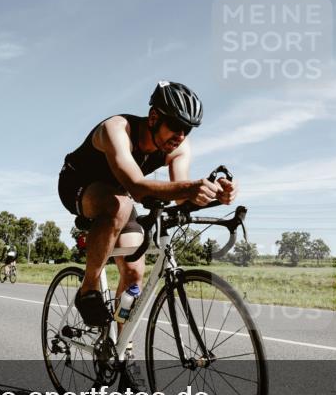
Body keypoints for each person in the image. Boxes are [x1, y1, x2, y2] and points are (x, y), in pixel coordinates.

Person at [58, 81, 237, 329]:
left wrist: (218, 194)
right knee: (119, 205)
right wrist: (191, 187)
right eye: (175, 125)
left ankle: (121, 347)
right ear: (154, 117)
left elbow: (181, 196)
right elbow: (137, 187)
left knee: (133, 275)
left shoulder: (178, 148)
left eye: (188, 129)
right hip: (77, 184)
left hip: (118, 198)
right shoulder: (117, 129)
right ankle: (88, 289)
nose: (181, 136)